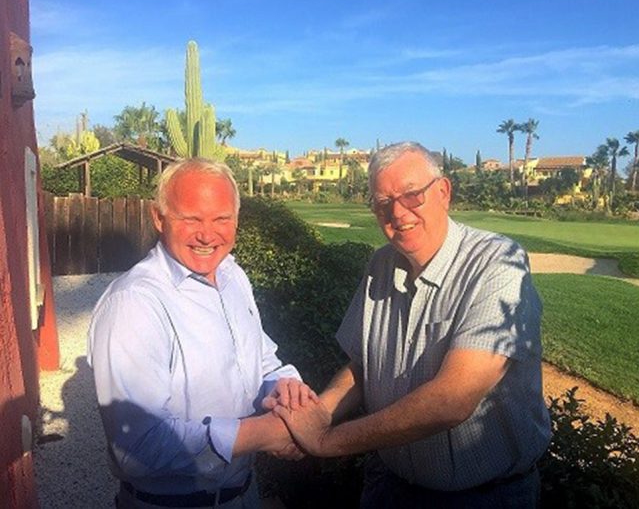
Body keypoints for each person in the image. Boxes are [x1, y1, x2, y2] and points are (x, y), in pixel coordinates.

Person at [274, 142, 551, 508]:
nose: (398, 212)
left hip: (483, 498)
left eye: (411, 196)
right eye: (382, 203)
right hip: (389, 486)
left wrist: (326, 441)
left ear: (443, 192)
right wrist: (319, 414)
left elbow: (452, 399)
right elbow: (362, 366)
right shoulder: (381, 265)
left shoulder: (497, 264)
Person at [88, 158, 315, 508]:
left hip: (244, 493)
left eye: (221, 218)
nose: (207, 235)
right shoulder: (134, 303)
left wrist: (287, 393)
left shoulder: (231, 275)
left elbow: (263, 360)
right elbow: (136, 449)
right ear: (158, 218)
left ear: (236, 219)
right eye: (190, 218)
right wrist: (265, 433)